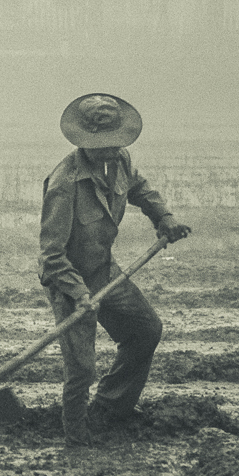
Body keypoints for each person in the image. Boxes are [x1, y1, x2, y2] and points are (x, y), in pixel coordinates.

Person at [39, 93, 191, 445]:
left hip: (104, 269)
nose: (109, 150)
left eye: (114, 143)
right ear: (83, 142)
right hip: (69, 280)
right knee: (82, 370)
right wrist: (79, 294)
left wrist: (164, 218)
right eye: (101, 145)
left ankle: (111, 408)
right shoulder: (64, 185)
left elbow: (139, 187)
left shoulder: (119, 159)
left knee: (145, 330)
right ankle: (76, 439)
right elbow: (51, 254)